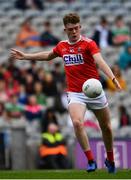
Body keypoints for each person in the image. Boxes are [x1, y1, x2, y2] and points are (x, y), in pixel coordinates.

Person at [11, 13, 122, 173]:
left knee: (107, 127)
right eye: (71, 29)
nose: (74, 31)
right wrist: (26, 56)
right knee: (77, 123)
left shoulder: (89, 44)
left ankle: (110, 159)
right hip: (76, 93)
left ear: (80, 27)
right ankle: (90, 160)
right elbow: (48, 55)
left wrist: (112, 77)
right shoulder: (62, 46)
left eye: (76, 28)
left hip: (95, 91)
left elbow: (100, 61)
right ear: (65, 30)